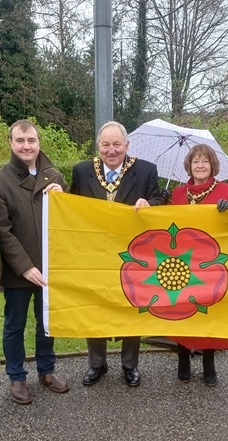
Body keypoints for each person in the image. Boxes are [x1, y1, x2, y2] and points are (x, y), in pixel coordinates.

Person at [70, 121, 166, 387]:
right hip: (94, 254)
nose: (111, 151)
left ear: (127, 145)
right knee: (95, 306)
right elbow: (71, 207)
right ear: (98, 146)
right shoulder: (81, 171)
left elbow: (159, 201)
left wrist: (149, 203)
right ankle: (97, 364)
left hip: (133, 254)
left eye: (116, 144)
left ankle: (129, 365)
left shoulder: (145, 170)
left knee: (131, 306)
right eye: (105, 145)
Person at [0, 120, 69, 405]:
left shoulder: (53, 175)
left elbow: (69, 221)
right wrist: (24, 266)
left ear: (39, 143)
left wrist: (64, 199)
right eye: (20, 140)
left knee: (46, 322)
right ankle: (17, 376)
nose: (26, 146)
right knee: (15, 324)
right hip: (19, 270)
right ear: (11, 143)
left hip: (50, 266)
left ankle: (46, 371)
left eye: (31, 140)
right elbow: (1, 231)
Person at [169, 143, 228, 386]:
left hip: (212, 264)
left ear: (213, 165)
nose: (200, 166)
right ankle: (183, 358)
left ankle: (208, 360)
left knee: (209, 310)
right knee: (181, 309)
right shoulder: (178, 193)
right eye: (195, 161)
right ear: (189, 165)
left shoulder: (227, 190)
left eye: (205, 161)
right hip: (182, 263)